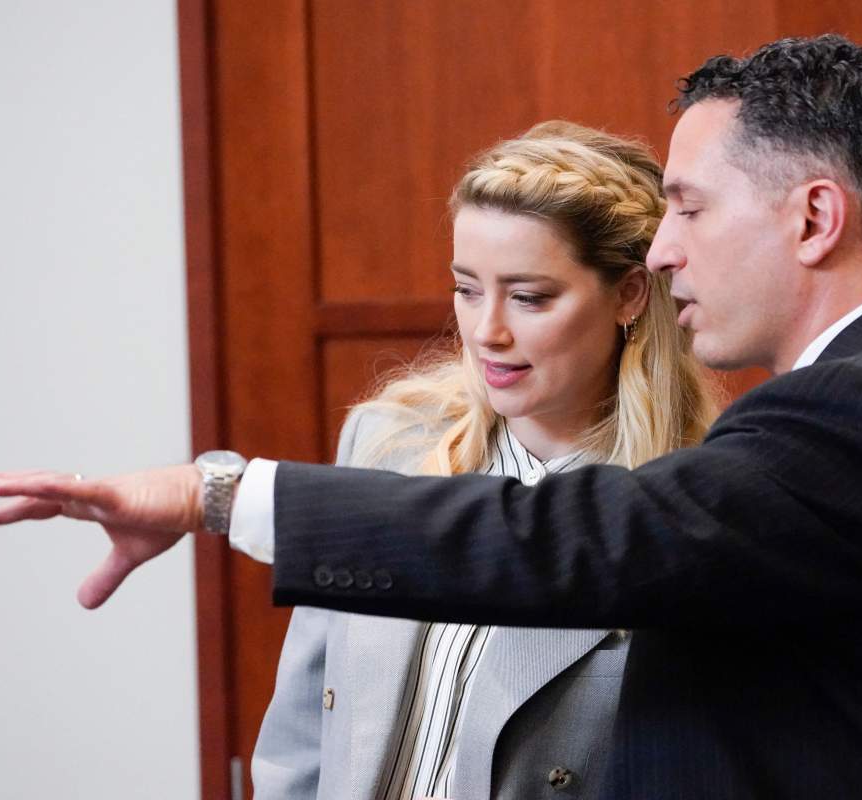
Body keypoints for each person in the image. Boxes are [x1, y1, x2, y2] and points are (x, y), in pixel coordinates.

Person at [0, 35, 862, 799]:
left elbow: (569, 538)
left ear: (815, 215)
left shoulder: (857, 414)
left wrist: (215, 488)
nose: (668, 245)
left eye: (688, 207)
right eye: (466, 285)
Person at [250, 121, 714, 799]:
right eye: (467, 289)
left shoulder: (686, 509)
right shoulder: (386, 442)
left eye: (529, 297)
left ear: (629, 295)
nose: (487, 332)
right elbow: (297, 733)